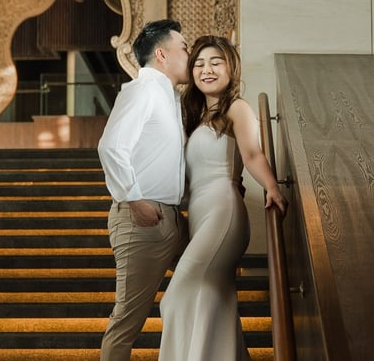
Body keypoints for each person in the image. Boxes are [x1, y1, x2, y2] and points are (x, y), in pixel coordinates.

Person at [158, 35, 288, 361]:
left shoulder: (238, 107)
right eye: (199, 64)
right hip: (199, 215)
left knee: (174, 297)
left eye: (216, 62)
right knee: (213, 301)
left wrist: (272, 187)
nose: (207, 69)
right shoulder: (195, 115)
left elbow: (254, 153)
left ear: (231, 66)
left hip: (223, 209)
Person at [97, 19, 191, 361]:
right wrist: (134, 198)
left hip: (171, 219)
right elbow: (110, 146)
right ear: (162, 54)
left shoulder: (170, 98)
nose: (190, 54)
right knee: (126, 323)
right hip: (143, 220)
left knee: (205, 285)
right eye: (184, 48)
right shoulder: (142, 90)